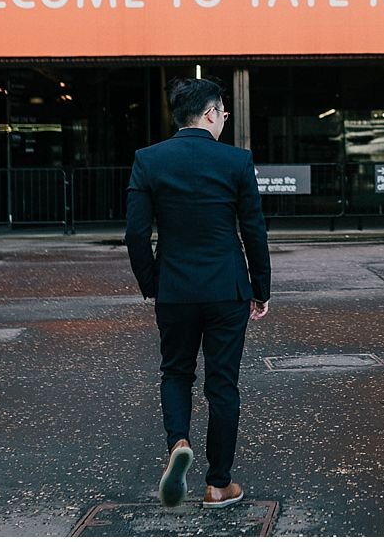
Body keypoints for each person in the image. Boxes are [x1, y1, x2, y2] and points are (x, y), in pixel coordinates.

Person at [126, 77, 271, 509]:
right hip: (226, 288)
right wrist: (260, 289)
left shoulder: (148, 160)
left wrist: (153, 283)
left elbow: (135, 234)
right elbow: (254, 232)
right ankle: (218, 484)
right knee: (222, 385)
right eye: (223, 113)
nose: (224, 119)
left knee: (175, 372)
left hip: (174, 287)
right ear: (211, 113)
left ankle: (178, 445)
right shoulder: (236, 162)